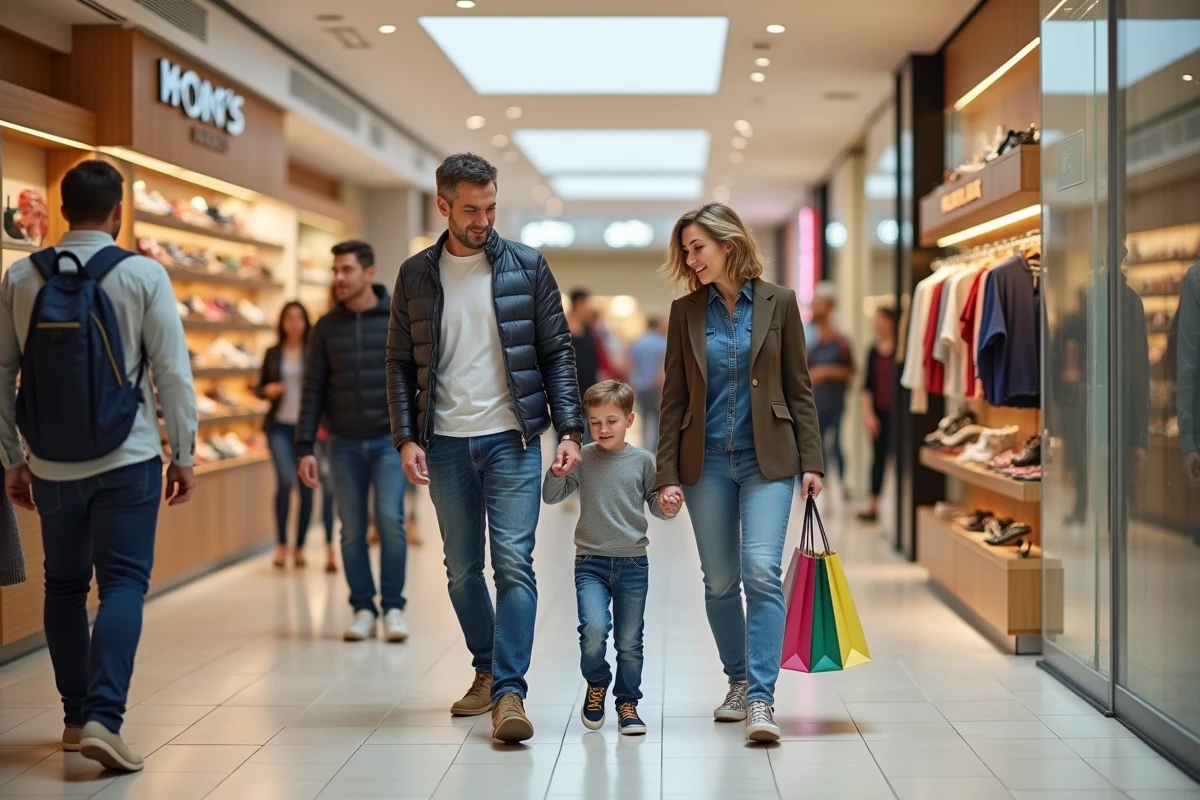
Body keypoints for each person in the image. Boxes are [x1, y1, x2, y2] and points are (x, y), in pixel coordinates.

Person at [0, 160, 197, 772]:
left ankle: (74, 717)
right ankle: (106, 721)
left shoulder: (19, 276)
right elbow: (172, 374)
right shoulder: (142, 273)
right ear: (118, 212)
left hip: (52, 462)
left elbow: (3, 373)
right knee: (121, 586)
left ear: (61, 211)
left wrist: (12, 457)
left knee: (63, 586)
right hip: (129, 457)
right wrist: (184, 452)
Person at [386, 153, 584, 743]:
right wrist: (404, 437)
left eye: (491, 206)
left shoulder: (527, 266)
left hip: (513, 438)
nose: (483, 219)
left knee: (514, 564)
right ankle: (485, 665)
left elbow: (557, 353)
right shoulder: (415, 274)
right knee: (461, 570)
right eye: (471, 209)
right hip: (444, 441)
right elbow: (397, 362)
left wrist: (569, 430)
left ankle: (509, 694)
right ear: (442, 205)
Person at [655, 203, 824, 743]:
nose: (690, 258)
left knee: (760, 571)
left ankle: (760, 698)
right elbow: (673, 397)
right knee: (721, 581)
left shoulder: (781, 303)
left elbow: (799, 387)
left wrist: (813, 461)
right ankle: (735, 678)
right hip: (704, 463)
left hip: (767, 461)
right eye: (685, 250)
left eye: (697, 247)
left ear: (728, 244)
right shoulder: (686, 312)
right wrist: (666, 473)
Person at [542, 380, 678, 736]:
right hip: (590, 562)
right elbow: (552, 496)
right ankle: (597, 683)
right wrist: (557, 472)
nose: (602, 429)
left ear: (630, 419)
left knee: (631, 641)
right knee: (593, 629)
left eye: (611, 420)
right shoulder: (583, 457)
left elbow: (656, 507)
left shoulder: (644, 461)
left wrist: (667, 506)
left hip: (633, 563)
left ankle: (628, 702)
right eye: (595, 421)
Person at [296, 240, 410, 643]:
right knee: (351, 530)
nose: (338, 278)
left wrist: (412, 435)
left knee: (391, 522)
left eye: (346, 270)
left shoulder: (397, 318)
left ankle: (394, 606)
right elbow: (312, 389)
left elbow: (412, 380)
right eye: (335, 271)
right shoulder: (326, 327)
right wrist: (305, 445)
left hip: (388, 442)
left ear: (368, 272)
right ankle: (363, 607)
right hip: (341, 443)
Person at [257, 301, 317, 568]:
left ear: (306, 322)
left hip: (306, 428)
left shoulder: (314, 352)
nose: (294, 323)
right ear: (282, 322)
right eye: (289, 318)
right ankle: (282, 543)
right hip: (279, 427)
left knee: (306, 489)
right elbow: (258, 387)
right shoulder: (272, 352)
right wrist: (267, 390)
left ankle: (300, 546)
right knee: (284, 480)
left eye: (299, 318)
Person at [807, 283, 855, 492]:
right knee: (818, 446)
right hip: (814, 402)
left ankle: (842, 484)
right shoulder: (808, 337)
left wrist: (827, 372)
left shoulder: (842, 340)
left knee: (836, 445)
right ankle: (820, 485)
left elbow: (851, 370)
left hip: (836, 401)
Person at [859, 306, 897, 522]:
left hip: (897, 415)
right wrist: (869, 415)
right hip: (879, 414)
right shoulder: (872, 351)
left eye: (880, 319)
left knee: (896, 459)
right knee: (878, 459)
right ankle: (873, 505)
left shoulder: (900, 350)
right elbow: (867, 387)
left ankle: (897, 506)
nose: (876, 323)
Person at [629, 317, 668, 452]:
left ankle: (644, 447)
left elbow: (631, 365)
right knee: (658, 421)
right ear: (656, 325)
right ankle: (654, 449)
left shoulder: (638, 342)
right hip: (655, 387)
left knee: (644, 419)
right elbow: (662, 369)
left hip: (640, 386)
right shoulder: (662, 343)